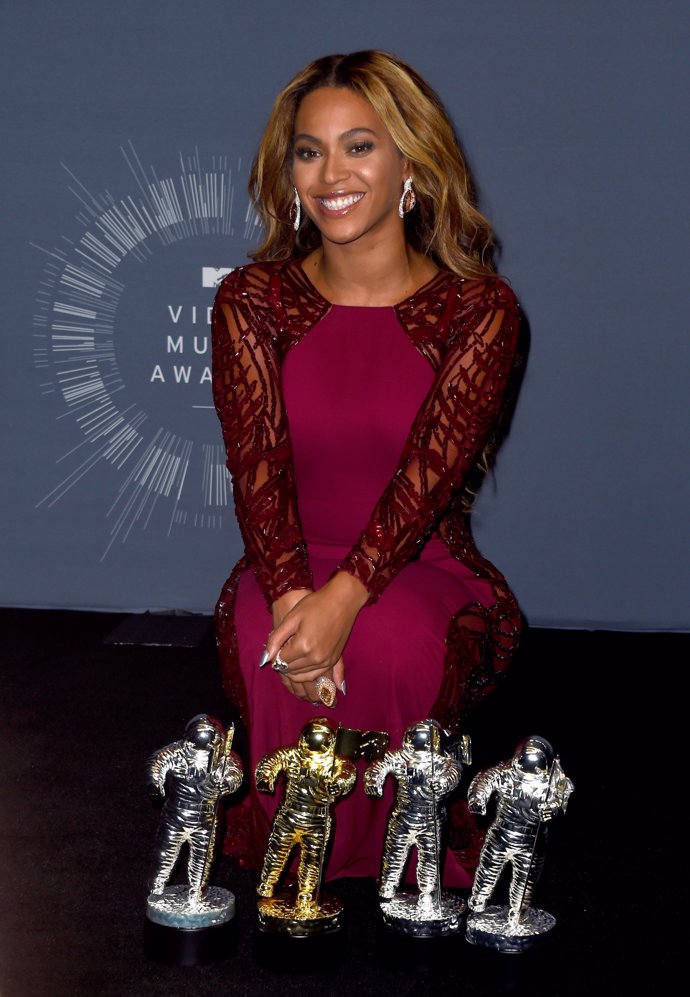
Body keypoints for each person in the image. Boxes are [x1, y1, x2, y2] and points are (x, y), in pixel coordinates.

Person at [211, 50, 523, 887]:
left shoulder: (477, 311)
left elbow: (426, 479)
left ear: (411, 164)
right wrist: (291, 598)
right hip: (288, 559)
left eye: (360, 146)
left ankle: (405, 863)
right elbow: (257, 469)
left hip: (419, 561)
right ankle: (294, 872)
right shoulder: (252, 298)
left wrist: (342, 604)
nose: (330, 173)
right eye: (309, 151)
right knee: (268, 640)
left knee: (390, 640)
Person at [467, 736, 574, 923]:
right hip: (501, 834)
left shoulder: (554, 780)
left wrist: (553, 809)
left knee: (526, 881)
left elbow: (560, 800)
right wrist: (477, 798)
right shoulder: (506, 771)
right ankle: (479, 898)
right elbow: (485, 779)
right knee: (488, 869)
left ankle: (518, 911)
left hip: (532, 841)